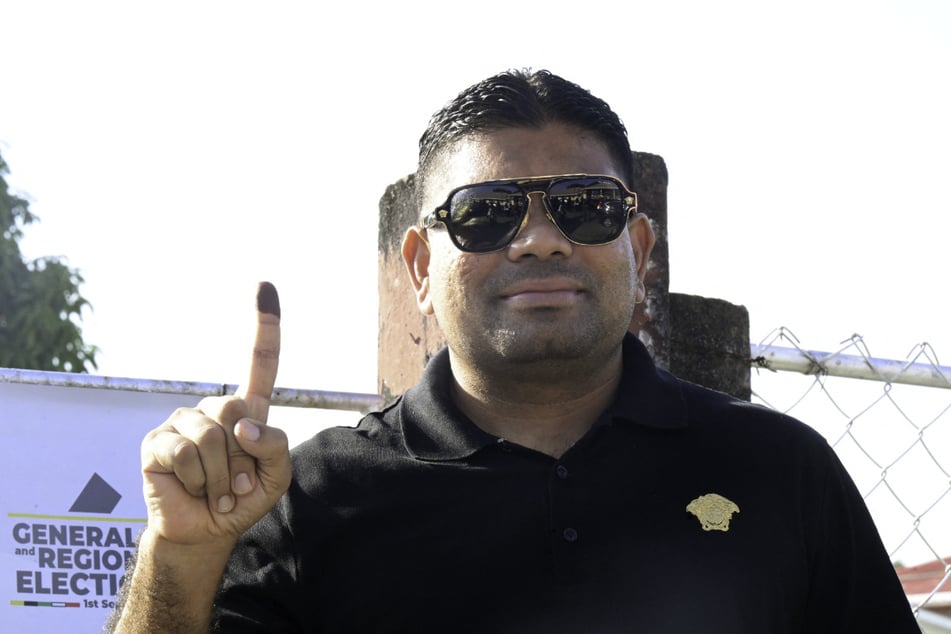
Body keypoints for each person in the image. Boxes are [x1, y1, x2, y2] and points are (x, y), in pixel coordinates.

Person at [107, 69, 918, 633]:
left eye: (585, 206)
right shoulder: (310, 499)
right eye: (485, 213)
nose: (537, 241)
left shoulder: (780, 471)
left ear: (638, 247)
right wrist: (179, 554)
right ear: (422, 267)